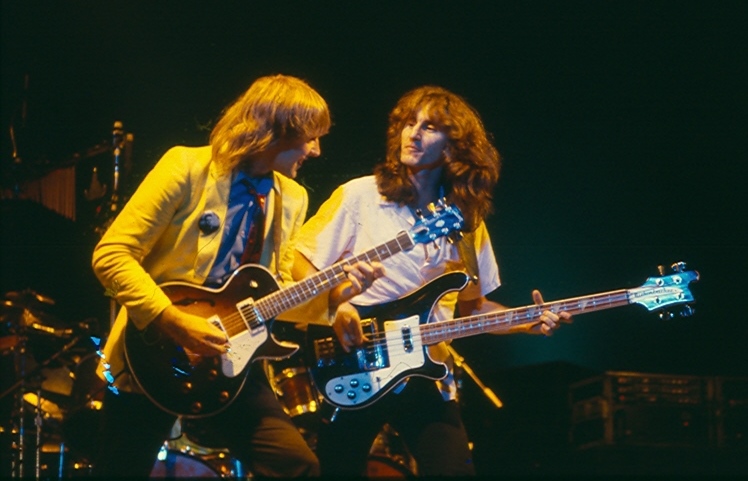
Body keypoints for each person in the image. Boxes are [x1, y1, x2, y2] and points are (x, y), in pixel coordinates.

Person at [88, 74, 381, 477]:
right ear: (277, 130)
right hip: (153, 355)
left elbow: (275, 293)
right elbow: (112, 253)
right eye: (311, 137)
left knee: (299, 468)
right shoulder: (187, 167)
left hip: (233, 360)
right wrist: (171, 319)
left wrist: (337, 295)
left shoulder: (293, 198)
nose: (316, 151)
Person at [291, 85, 573, 476]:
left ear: (454, 145)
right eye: (408, 123)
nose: (413, 133)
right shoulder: (359, 196)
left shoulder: (466, 221)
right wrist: (337, 306)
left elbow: (475, 307)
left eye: (429, 126)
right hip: (353, 364)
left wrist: (527, 321)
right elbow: (300, 264)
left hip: (429, 372)